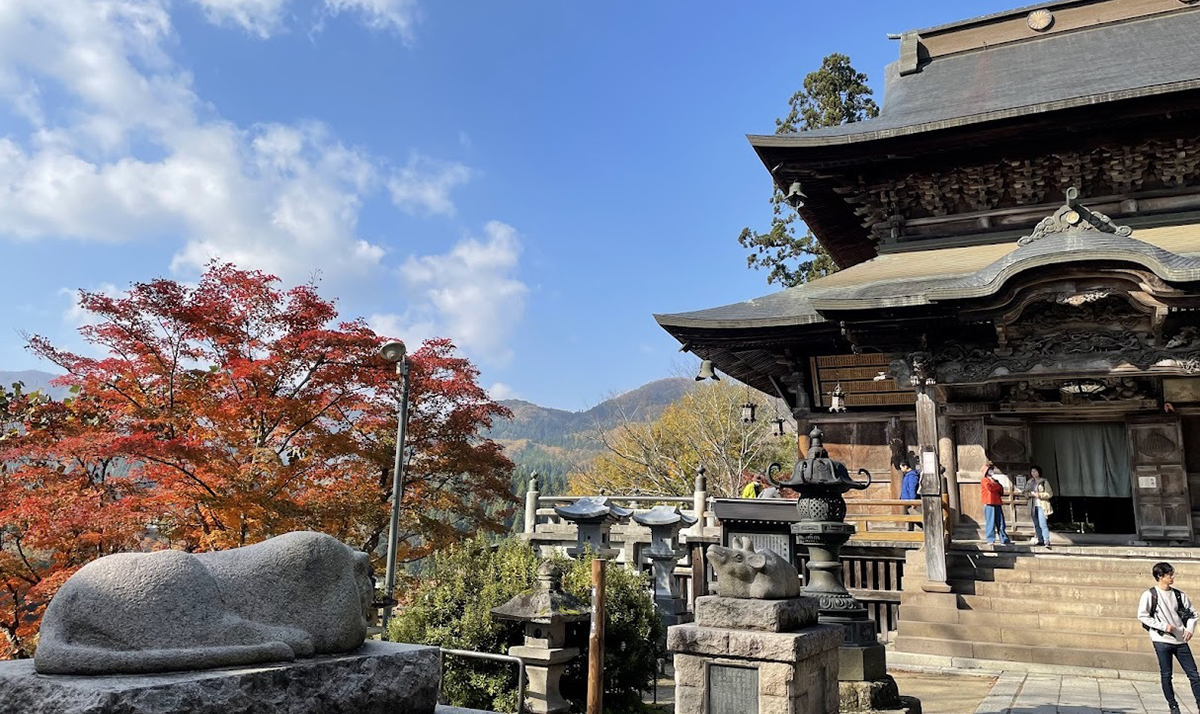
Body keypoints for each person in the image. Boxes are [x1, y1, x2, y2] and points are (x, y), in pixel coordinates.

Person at [1138, 562, 1200, 714]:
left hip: (1180, 640)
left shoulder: (1179, 595)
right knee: (1166, 675)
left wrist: (1190, 629)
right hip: (1161, 640)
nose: (1172, 577)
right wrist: (1163, 626)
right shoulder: (1150, 595)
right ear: (1160, 576)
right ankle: (1173, 706)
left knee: (1194, 675)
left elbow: (1193, 614)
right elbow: (1142, 616)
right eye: (1169, 574)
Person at [981, 463, 1011, 545]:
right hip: (989, 502)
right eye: (990, 470)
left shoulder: (995, 480)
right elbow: (990, 488)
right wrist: (997, 485)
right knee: (990, 522)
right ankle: (990, 539)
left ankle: (1004, 539)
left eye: (992, 470)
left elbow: (1001, 490)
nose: (991, 471)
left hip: (997, 502)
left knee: (1001, 522)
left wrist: (996, 485)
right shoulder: (984, 480)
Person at [1025, 465, 1054, 548]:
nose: (1033, 473)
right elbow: (1025, 492)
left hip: (1042, 505)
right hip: (1033, 505)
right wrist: (1029, 494)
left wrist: (1039, 495)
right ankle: (1040, 540)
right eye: (1032, 471)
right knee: (1036, 524)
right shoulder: (1030, 482)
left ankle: (1046, 540)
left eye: (1035, 471)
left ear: (1039, 472)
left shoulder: (1044, 481)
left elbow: (1050, 493)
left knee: (1043, 523)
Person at [900, 460, 921, 531]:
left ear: (905, 466)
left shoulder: (912, 476)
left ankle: (924, 527)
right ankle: (910, 529)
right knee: (909, 515)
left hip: (910, 499)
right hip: (906, 498)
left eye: (901, 468)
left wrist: (913, 500)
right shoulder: (907, 475)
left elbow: (912, 488)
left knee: (913, 515)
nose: (901, 470)